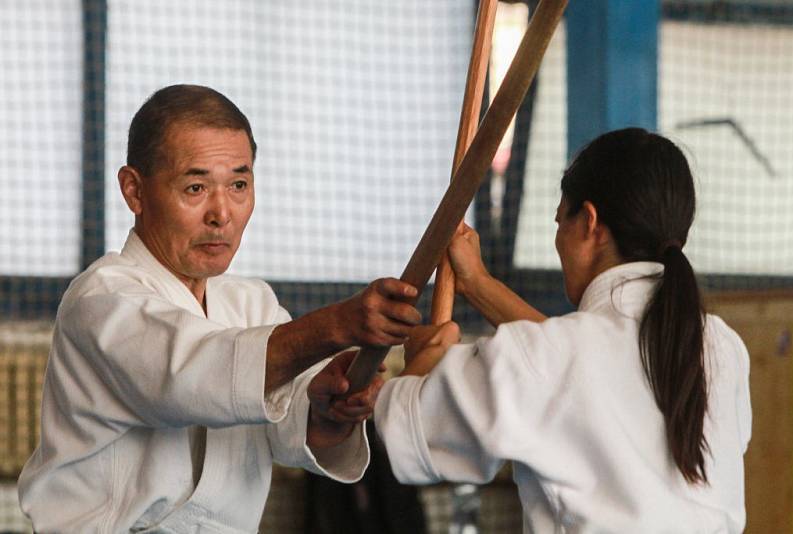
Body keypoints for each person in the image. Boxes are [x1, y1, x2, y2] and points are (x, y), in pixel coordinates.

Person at [18, 84, 422, 532]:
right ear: (134, 191)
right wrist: (338, 325)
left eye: (239, 185)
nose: (222, 213)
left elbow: (296, 433)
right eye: (195, 187)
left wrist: (329, 409)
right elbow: (189, 374)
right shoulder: (100, 299)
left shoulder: (251, 304)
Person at [375, 128, 752, 532]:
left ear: (590, 223)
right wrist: (477, 284)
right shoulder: (721, 347)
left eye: (561, 221)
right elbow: (583, 378)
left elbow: (408, 428)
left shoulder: (558, 356)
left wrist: (425, 361)